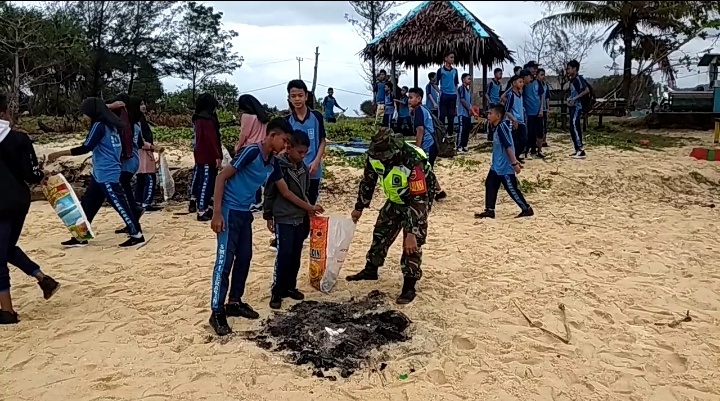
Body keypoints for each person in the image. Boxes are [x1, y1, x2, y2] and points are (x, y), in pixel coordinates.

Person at [208, 117, 293, 336]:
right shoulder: (251, 152)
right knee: (224, 261)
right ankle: (216, 311)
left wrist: (309, 207)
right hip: (228, 211)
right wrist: (217, 213)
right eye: (284, 141)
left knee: (244, 258)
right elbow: (221, 178)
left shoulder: (273, 163)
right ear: (272, 136)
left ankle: (234, 302)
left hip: (245, 213)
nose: (285, 146)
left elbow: (284, 191)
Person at [346, 127, 436, 304]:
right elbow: (368, 181)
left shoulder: (412, 160)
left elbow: (419, 199)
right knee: (381, 230)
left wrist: (411, 232)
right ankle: (371, 270)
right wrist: (360, 206)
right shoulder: (374, 156)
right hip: (395, 198)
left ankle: (409, 285)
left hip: (416, 200)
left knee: (412, 245)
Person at [47, 98, 145, 247]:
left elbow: (86, 147)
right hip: (100, 172)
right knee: (89, 204)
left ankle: (136, 234)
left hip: (107, 172)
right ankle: (81, 236)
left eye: (85, 114)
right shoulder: (112, 124)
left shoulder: (99, 125)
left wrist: (59, 153)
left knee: (120, 204)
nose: (85, 117)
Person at [0, 94, 60, 325]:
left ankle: (7, 311)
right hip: (18, 201)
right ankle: (43, 279)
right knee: (6, 247)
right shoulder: (20, 139)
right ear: (4, 113)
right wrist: (41, 175)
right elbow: (31, 174)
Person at [263, 130, 324, 310]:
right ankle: (277, 290)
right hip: (284, 217)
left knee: (296, 253)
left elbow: (304, 193)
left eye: (305, 152)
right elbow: (276, 192)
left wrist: (309, 210)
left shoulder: (303, 168)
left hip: (299, 217)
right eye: (300, 152)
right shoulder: (279, 166)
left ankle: (290, 286)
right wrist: (268, 215)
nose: (303, 156)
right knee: (283, 254)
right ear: (289, 148)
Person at [474, 104, 534, 219]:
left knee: (512, 189)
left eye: (490, 113)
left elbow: (508, 146)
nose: (488, 116)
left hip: (504, 167)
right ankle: (490, 210)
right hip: (496, 167)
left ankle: (526, 209)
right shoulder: (497, 127)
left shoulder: (502, 127)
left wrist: (514, 163)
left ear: (498, 115)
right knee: (490, 184)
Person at [286, 79, 326, 206]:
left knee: (311, 203)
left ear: (306, 96)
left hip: (313, 170)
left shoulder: (317, 117)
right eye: (293, 96)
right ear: (289, 98)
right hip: (294, 171)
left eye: (300, 95)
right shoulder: (287, 121)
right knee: (296, 204)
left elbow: (322, 141)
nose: (297, 99)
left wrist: (316, 162)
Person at [408, 87, 447, 201]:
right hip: (432, 144)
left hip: (428, 145)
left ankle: (436, 192)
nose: (409, 100)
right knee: (426, 169)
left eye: (411, 97)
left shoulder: (419, 110)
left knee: (425, 169)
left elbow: (420, 130)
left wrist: (417, 148)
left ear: (419, 99)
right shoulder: (423, 109)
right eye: (408, 98)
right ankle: (438, 192)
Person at [190, 93, 223, 221]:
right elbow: (212, 139)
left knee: (202, 180)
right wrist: (217, 156)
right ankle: (202, 210)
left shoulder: (197, 118)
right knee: (206, 182)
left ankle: (200, 206)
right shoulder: (207, 119)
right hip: (207, 154)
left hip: (200, 153)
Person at [235, 94, 270, 212]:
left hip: (249, 149)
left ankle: (255, 201)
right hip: (262, 149)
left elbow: (244, 134)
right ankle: (260, 201)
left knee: (249, 177)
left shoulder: (247, 116)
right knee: (259, 176)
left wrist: (238, 147)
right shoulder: (262, 117)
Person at [135, 101, 163, 212]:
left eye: (143, 103)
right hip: (144, 153)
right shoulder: (138, 122)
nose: (144, 106)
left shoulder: (138, 120)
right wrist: (152, 147)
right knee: (150, 179)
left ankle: (138, 202)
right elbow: (140, 140)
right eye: (140, 104)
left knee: (141, 180)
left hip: (139, 154)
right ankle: (146, 203)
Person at [567, 59, 589, 159]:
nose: (567, 70)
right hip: (573, 106)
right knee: (572, 127)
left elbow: (586, 90)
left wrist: (575, 98)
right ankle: (577, 149)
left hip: (578, 106)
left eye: (569, 69)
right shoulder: (572, 80)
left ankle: (580, 149)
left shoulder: (578, 79)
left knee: (575, 126)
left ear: (575, 69)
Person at [523, 65, 545, 159]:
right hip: (528, 112)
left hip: (537, 112)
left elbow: (541, 97)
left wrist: (541, 109)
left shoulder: (538, 83)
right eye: (533, 68)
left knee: (540, 132)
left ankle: (539, 151)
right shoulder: (523, 83)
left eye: (536, 69)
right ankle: (528, 150)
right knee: (529, 133)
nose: (535, 70)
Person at [435, 50, 459, 136]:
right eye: (451, 57)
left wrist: (455, 93)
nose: (452, 59)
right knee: (442, 115)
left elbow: (456, 83)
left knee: (451, 116)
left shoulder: (455, 71)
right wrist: (440, 92)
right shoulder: (440, 70)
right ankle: (441, 133)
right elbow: (435, 84)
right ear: (446, 58)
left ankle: (450, 134)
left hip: (453, 96)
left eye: (453, 58)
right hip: (444, 95)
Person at [504, 74, 527, 163]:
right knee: (514, 141)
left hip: (521, 121)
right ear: (514, 83)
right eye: (520, 82)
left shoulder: (520, 95)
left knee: (523, 140)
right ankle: (513, 158)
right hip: (513, 122)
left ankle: (516, 156)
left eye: (522, 82)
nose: (521, 84)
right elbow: (506, 110)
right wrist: (513, 119)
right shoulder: (511, 95)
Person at [457, 73, 477, 153]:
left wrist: (473, 112)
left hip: (467, 114)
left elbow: (470, 103)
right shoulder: (461, 88)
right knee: (461, 130)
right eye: (468, 78)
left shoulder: (468, 91)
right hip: (462, 113)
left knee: (466, 130)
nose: (470, 80)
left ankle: (464, 145)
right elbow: (462, 100)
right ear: (463, 80)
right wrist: (469, 109)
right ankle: (458, 146)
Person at [536, 68, 551, 148]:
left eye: (543, 75)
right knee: (539, 126)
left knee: (545, 125)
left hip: (544, 108)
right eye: (541, 74)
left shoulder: (545, 85)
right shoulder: (536, 85)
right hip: (537, 109)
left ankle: (544, 141)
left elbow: (547, 97)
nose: (543, 76)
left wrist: (548, 108)